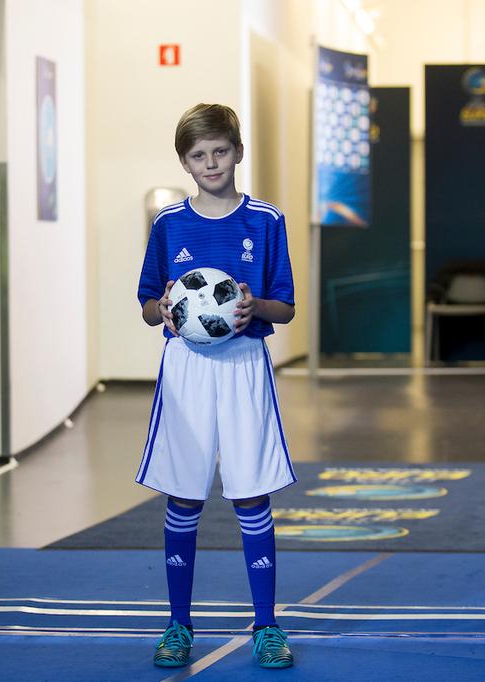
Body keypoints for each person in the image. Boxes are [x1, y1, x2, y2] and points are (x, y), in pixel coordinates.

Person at [136, 104, 297, 669]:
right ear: (184, 162)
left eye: (220, 152)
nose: (211, 163)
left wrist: (256, 308)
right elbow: (149, 307)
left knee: (251, 492)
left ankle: (268, 626)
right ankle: (179, 624)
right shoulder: (168, 225)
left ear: (237, 152)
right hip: (186, 369)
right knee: (184, 494)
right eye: (199, 156)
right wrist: (170, 311)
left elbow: (287, 307)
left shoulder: (266, 222)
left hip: (245, 363)